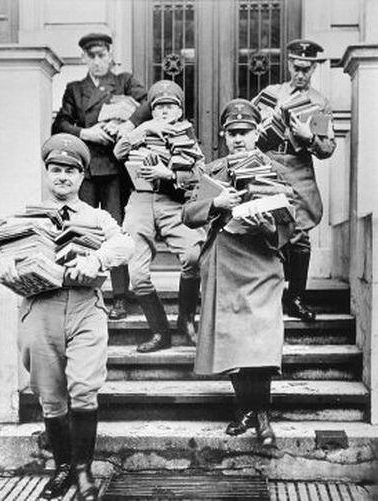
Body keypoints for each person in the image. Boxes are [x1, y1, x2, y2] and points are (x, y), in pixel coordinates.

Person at [0, 133, 135, 500]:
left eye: (71, 171)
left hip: (83, 308)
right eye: (56, 169)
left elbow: (125, 243)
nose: (62, 177)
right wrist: (3, 262)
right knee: (50, 395)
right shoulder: (25, 217)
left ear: (82, 177)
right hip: (39, 308)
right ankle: (63, 467)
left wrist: (95, 259)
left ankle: (83, 473)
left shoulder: (97, 217)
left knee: (84, 387)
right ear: (47, 173)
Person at [182, 99, 294, 447]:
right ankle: (246, 410)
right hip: (226, 258)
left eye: (245, 132)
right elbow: (189, 213)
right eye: (232, 133)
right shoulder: (213, 171)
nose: (239, 139)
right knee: (233, 338)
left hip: (261, 261)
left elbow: (296, 220)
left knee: (261, 334)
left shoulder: (276, 169)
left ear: (258, 132)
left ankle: (261, 416)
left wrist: (269, 227)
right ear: (223, 135)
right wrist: (217, 204)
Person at [52, 30, 149, 321]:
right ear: (84, 58)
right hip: (87, 171)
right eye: (91, 56)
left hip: (115, 170)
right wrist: (86, 132)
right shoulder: (75, 88)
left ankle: (120, 297)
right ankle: (83, 293)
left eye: (102, 55)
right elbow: (60, 124)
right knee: (82, 230)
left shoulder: (124, 81)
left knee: (115, 230)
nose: (97, 61)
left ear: (110, 55)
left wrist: (129, 125)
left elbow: (148, 104)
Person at [114, 80, 205, 353]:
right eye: (159, 107)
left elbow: (198, 175)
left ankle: (186, 320)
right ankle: (159, 332)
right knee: (137, 271)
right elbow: (118, 153)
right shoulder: (143, 130)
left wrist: (170, 174)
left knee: (192, 255)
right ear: (152, 111)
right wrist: (142, 128)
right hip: (141, 198)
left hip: (172, 201)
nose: (164, 112)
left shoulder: (186, 136)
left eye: (170, 106)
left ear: (179, 111)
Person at [253, 39, 336, 321]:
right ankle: (267, 296)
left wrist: (308, 136)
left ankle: (296, 297)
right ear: (288, 64)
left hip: (299, 167)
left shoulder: (319, 102)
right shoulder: (270, 93)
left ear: (314, 67)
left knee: (300, 234)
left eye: (307, 69)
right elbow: (247, 128)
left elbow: (326, 149)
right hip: (270, 163)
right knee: (266, 229)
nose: (300, 74)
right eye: (296, 67)